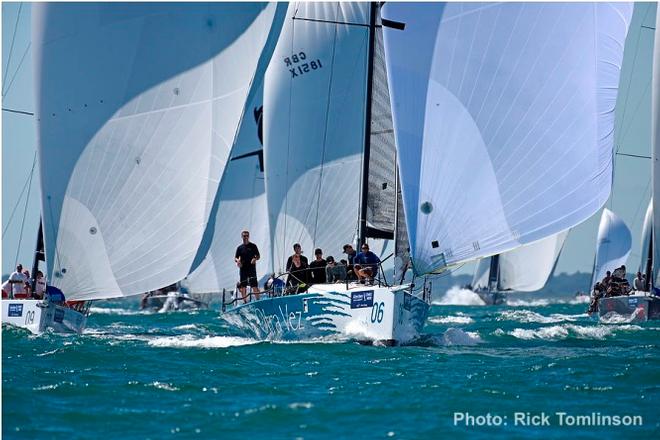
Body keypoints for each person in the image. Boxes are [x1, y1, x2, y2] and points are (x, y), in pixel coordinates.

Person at [234, 230, 261, 303]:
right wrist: (238, 261)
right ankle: (245, 302)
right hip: (243, 269)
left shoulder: (253, 246)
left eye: (247, 236)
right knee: (243, 286)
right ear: (242, 237)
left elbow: (258, 256)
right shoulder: (239, 248)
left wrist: (255, 259)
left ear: (249, 236)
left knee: (254, 285)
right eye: (244, 236)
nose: (245, 237)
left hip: (252, 268)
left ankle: (258, 300)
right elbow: (236, 258)